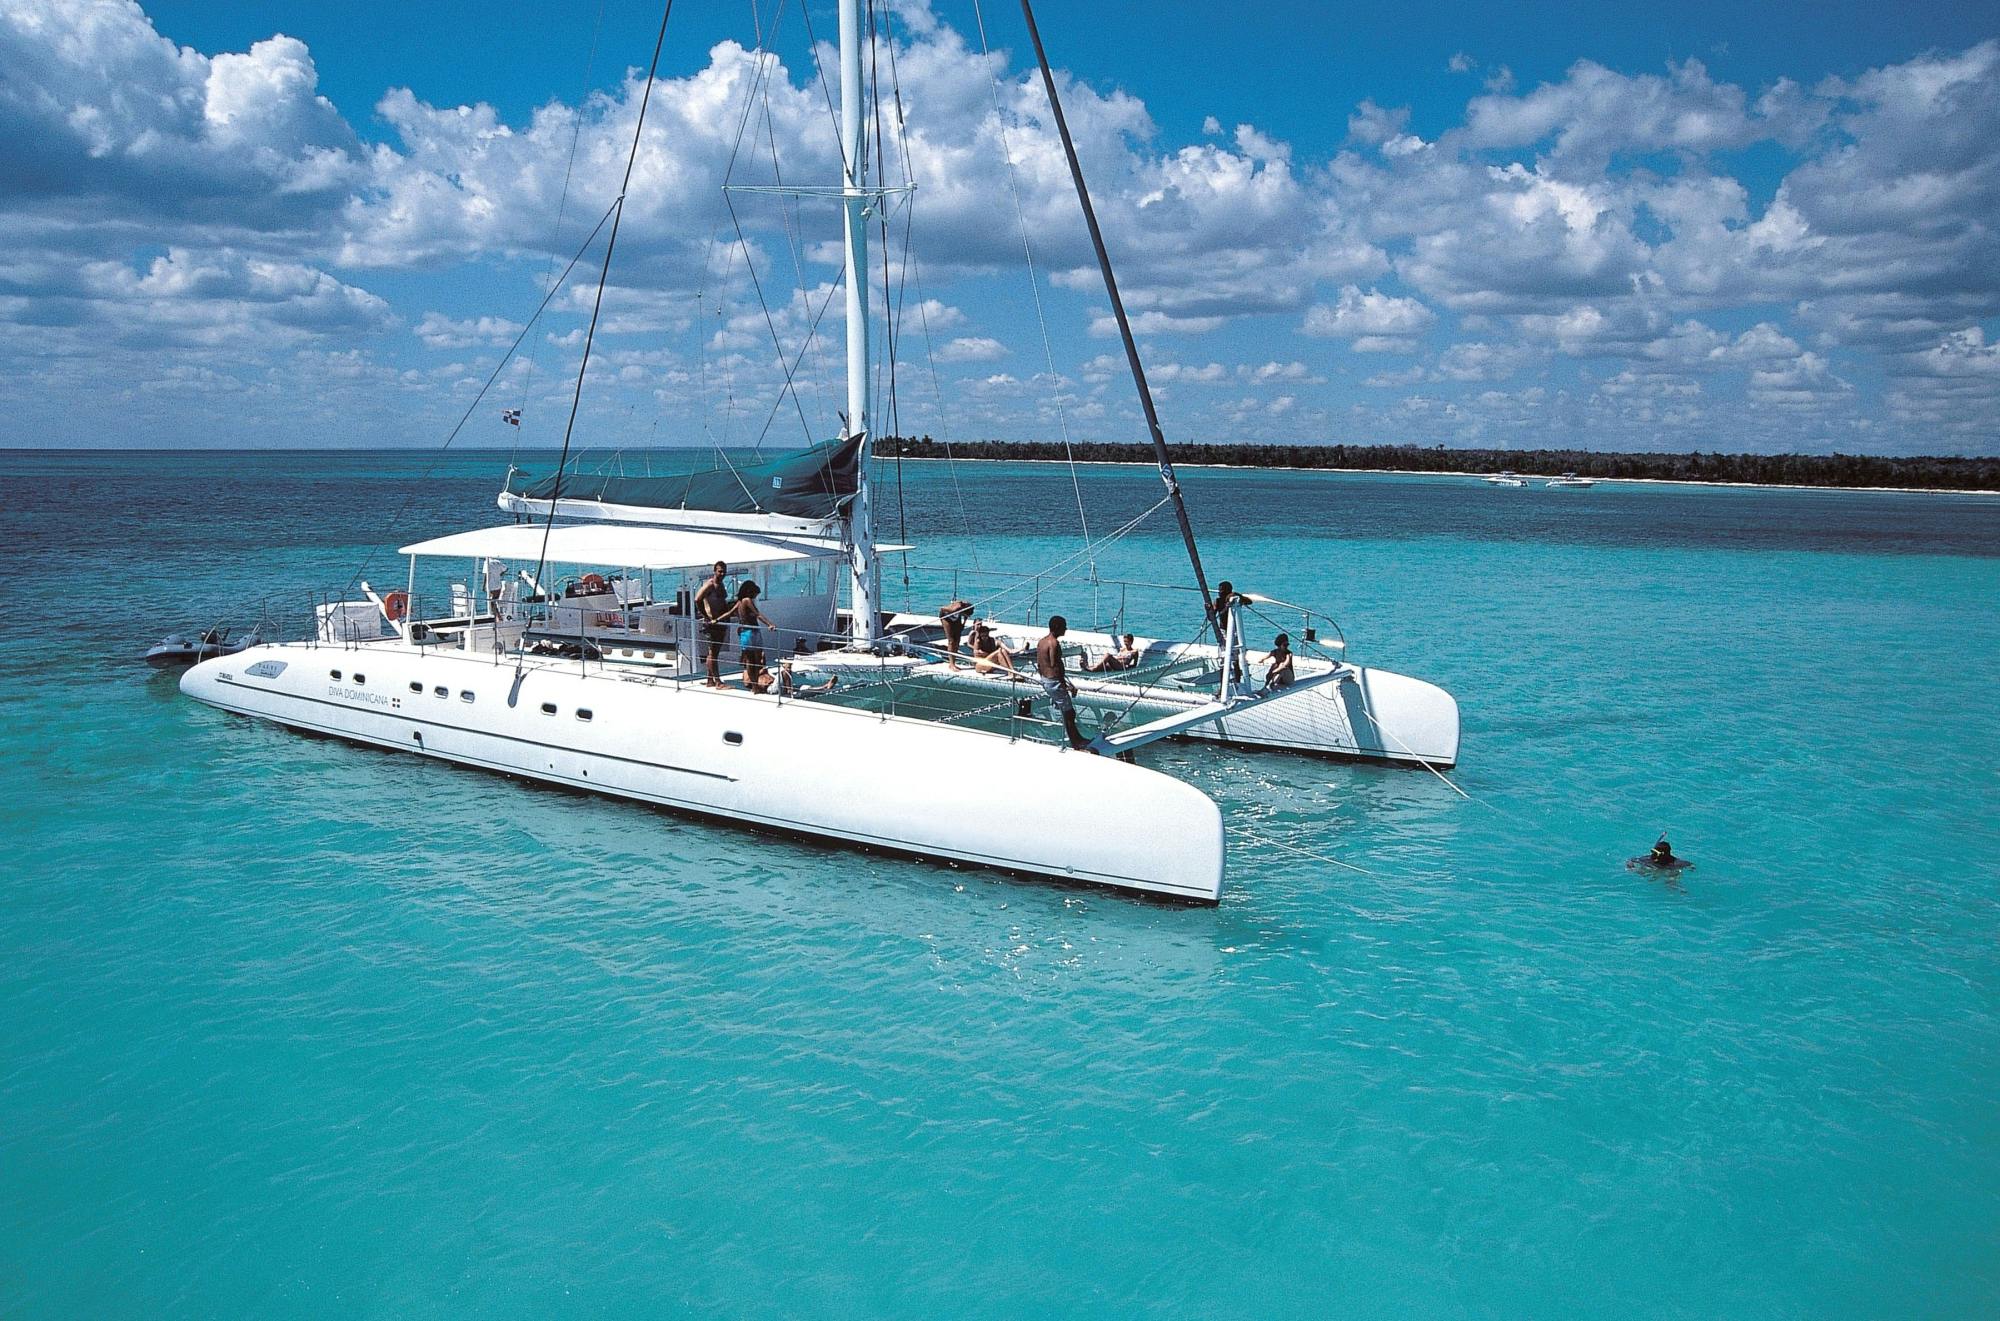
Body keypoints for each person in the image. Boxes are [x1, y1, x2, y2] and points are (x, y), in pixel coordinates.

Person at [1036, 615, 1089, 749]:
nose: (1066, 628)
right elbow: (1055, 665)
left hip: (1046, 680)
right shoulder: (1054, 643)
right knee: (1069, 712)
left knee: (1066, 711)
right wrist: (1065, 685)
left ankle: (1075, 739)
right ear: (1058, 627)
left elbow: (1039, 663)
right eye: (1064, 626)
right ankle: (1076, 742)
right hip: (1054, 682)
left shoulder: (1041, 642)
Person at [694, 560, 730, 687]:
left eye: (724, 571)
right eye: (720, 571)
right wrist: (705, 616)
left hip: (720, 622)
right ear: (715, 571)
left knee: (715, 652)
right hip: (712, 623)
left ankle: (710, 680)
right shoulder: (710, 585)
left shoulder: (721, 585)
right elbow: (697, 599)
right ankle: (718, 681)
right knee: (713, 653)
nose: (722, 573)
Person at [939, 598, 974, 669]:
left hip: (956, 617)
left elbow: (964, 619)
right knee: (951, 640)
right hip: (947, 617)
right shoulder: (955, 608)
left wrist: (963, 623)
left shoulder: (968, 607)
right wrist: (951, 612)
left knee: (957, 639)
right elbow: (942, 608)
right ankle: (951, 664)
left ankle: (954, 660)